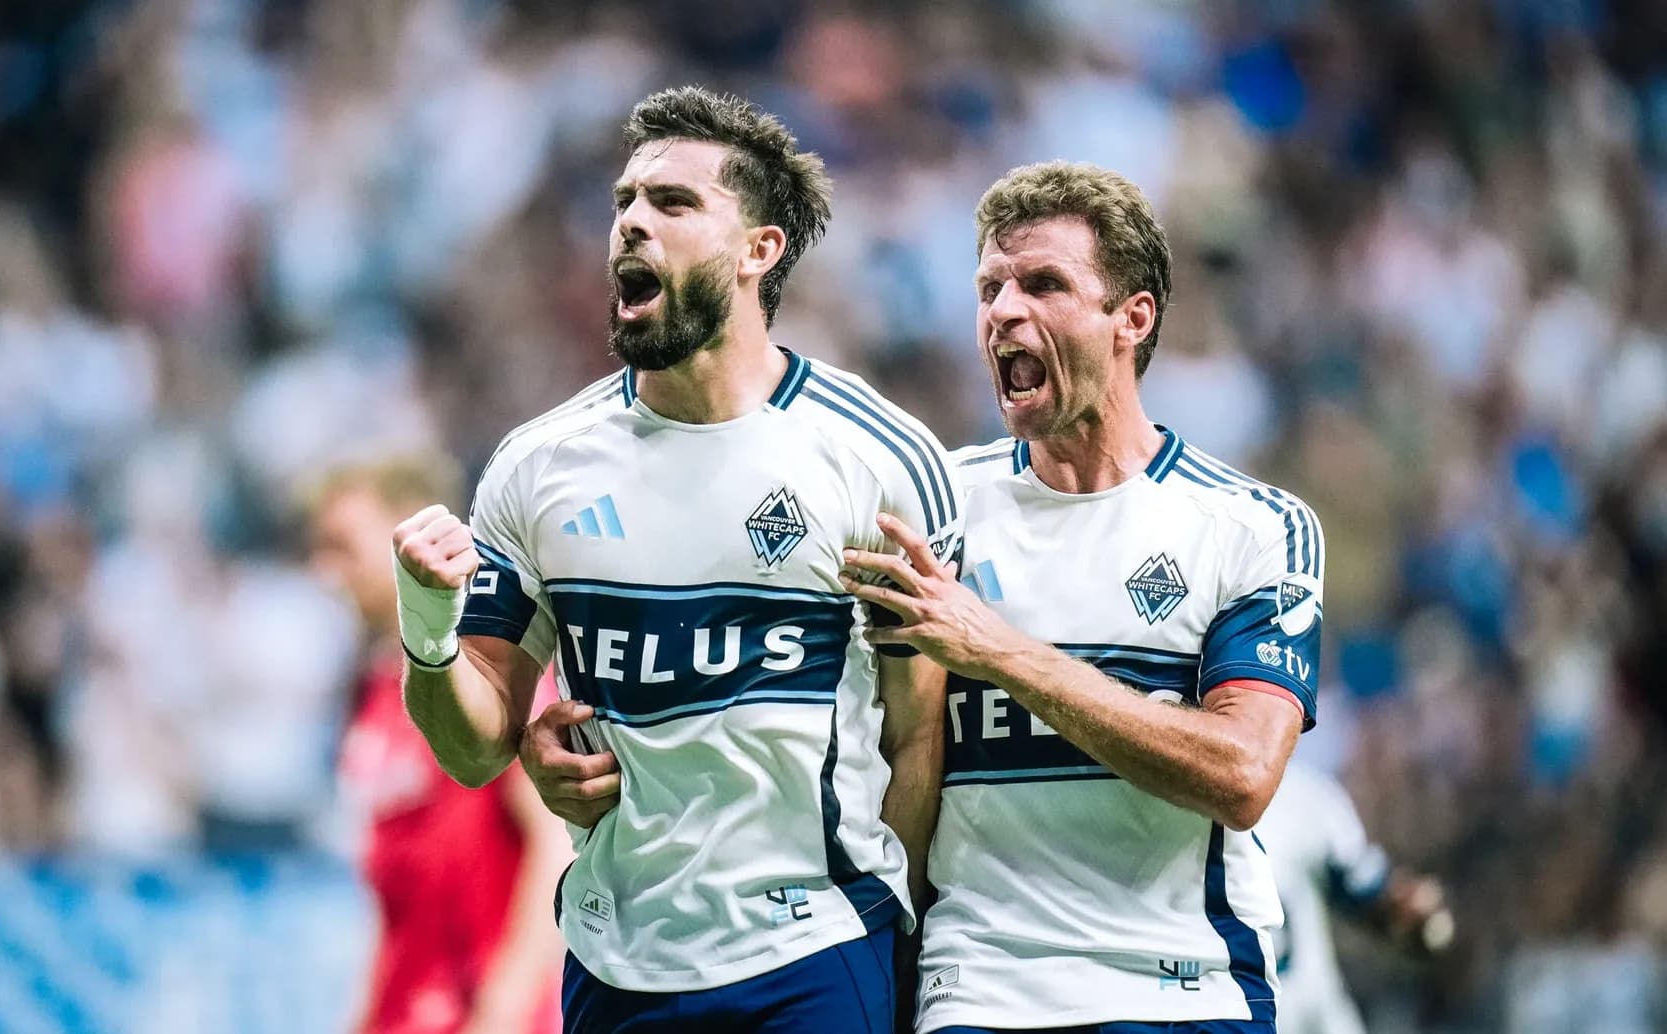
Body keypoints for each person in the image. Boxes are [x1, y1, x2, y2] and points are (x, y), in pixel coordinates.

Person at [390, 86, 959, 1032]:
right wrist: (427, 632)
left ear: (758, 250)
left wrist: (891, 937)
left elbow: (918, 734)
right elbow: (472, 749)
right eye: (624, 202)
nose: (629, 225)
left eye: (673, 202)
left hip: (813, 955)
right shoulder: (538, 466)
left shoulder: (880, 459)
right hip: (618, 960)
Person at [837, 161, 1322, 1033]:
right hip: (979, 986)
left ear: (1131, 317)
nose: (1003, 313)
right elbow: (880, 751)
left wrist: (1002, 654)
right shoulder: (932, 511)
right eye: (990, 288)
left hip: (1182, 984)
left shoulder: (1254, 527)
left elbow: (1242, 774)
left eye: (1044, 284)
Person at [311, 455, 566, 1034]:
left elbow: (555, 849)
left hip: (483, 1010)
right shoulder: (375, 692)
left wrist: (503, 1012)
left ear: (411, 526)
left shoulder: (484, 671)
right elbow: (391, 885)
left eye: (342, 545)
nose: (325, 571)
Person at [1255, 760, 1454, 1034]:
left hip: (1309, 1013)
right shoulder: (1180, 794)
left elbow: (1369, 891)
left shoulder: (1303, 795)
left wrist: (1405, 908)